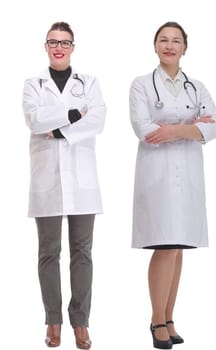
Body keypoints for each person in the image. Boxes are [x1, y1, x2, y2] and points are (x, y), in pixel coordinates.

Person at [129, 21, 216, 349]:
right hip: (157, 178)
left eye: (176, 41)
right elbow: (145, 129)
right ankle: (156, 320)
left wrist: (173, 130)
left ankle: (169, 317)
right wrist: (189, 127)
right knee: (165, 246)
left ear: (185, 47)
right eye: (163, 40)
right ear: (155, 46)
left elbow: (215, 126)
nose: (170, 45)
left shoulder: (196, 87)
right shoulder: (141, 85)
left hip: (188, 178)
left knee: (178, 248)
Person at [22, 21, 106, 350]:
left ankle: (81, 323)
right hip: (46, 180)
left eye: (65, 42)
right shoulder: (33, 84)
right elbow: (34, 119)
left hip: (83, 182)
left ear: (73, 48)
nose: (59, 47)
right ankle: (53, 321)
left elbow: (98, 119)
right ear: (46, 46)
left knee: (82, 254)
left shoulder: (90, 82)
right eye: (53, 42)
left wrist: (57, 126)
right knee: (48, 253)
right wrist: (74, 114)